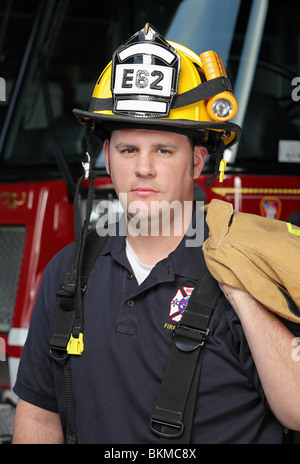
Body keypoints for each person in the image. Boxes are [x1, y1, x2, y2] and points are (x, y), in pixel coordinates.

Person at [12, 24, 300, 444]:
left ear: (197, 162)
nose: (143, 168)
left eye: (163, 150)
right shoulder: (68, 274)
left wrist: (240, 286)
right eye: (128, 150)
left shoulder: (252, 268)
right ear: (107, 158)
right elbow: (39, 416)